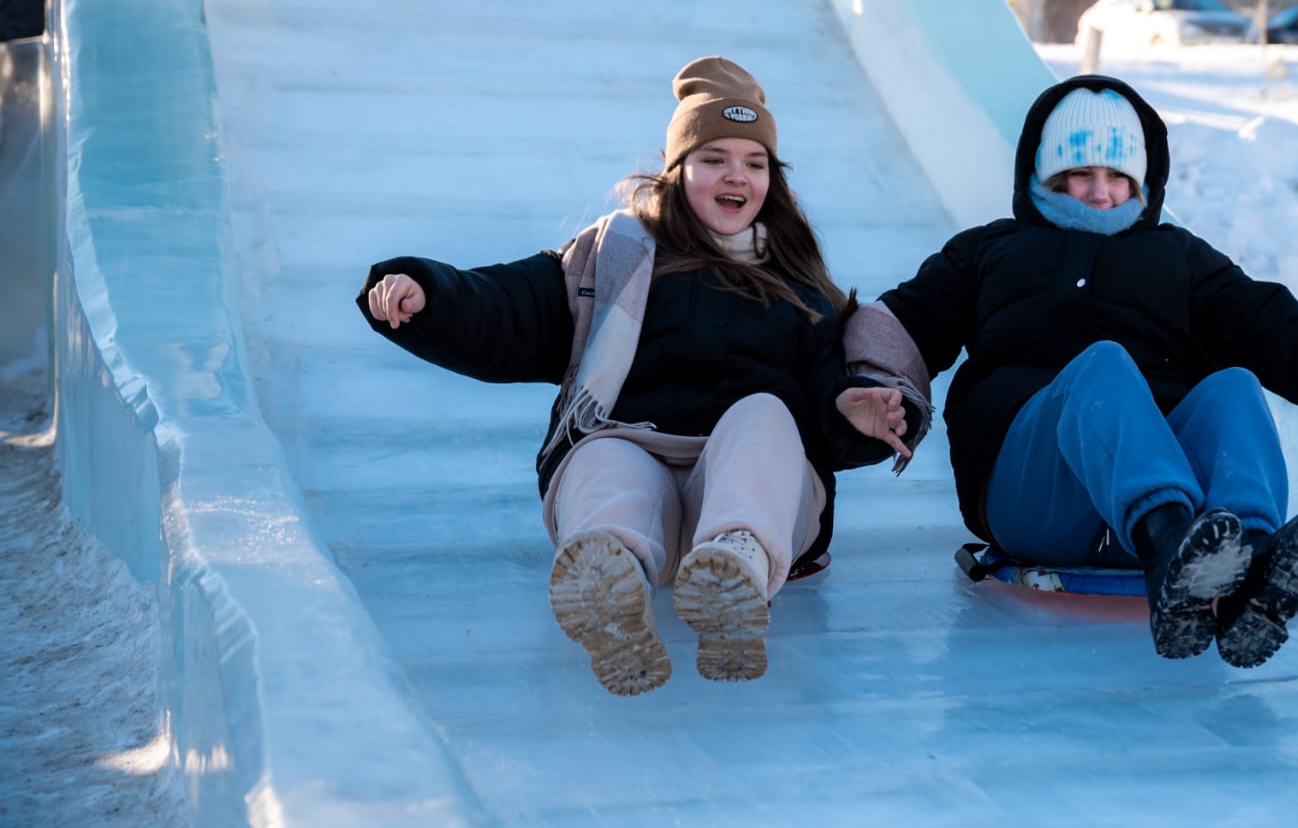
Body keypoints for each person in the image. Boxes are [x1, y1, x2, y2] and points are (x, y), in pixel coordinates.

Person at [847, 75, 1298, 668]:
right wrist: (862, 384)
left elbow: (1282, 333)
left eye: (1118, 176)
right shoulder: (991, 250)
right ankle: (1173, 551)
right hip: (1034, 487)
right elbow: (901, 323)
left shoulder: (1180, 258)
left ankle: (1250, 561)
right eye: (1079, 174)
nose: (1101, 193)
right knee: (1103, 365)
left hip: (1173, 505)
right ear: (1042, 177)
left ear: (1143, 181)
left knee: (1233, 387)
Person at [358, 57, 911, 695]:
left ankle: (733, 572)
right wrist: (429, 291)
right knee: (606, 455)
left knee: (765, 415)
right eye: (714, 159)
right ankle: (608, 578)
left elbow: (818, 407)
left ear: (773, 182)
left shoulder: (803, 288)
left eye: (754, 163)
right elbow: (510, 305)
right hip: (636, 445)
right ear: (677, 172)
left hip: (748, 492)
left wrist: (850, 415)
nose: (736, 176)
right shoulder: (614, 257)